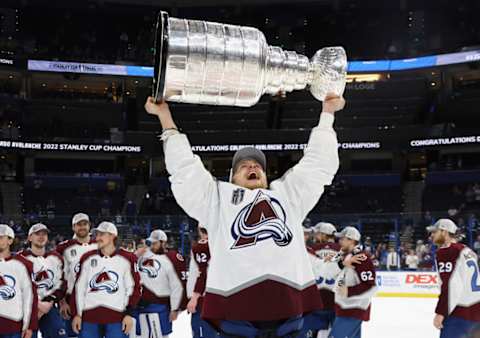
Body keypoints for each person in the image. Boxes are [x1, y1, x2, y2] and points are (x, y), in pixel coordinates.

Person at [145, 93, 344, 337]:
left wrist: (327, 114)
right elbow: (185, 170)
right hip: (236, 316)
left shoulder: (288, 195)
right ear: (232, 179)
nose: (252, 167)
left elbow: (318, 165)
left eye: (258, 166)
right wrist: (165, 118)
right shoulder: (217, 199)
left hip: (289, 314)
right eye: (243, 166)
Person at [70, 222, 141, 338]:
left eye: (101, 234)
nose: (97, 238)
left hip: (117, 317)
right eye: (96, 235)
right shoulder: (87, 257)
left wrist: (129, 314)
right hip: (89, 318)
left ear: (112, 236)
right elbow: (79, 288)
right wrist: (77, 315)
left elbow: (134, 288)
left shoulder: (129, 258)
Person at [427, 219, 480, 338]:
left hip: (459, 314)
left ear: (444, 232)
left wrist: (440, 312)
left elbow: (450, 285)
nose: (432, 235)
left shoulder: (447, 251)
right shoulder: (468, 251)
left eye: (435, 232)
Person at [19, 223, 67, 338]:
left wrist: (48, 303)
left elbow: (61, 284)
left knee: (59, 333)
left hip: (48, 306)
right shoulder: (20, 258)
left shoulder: (56, 258)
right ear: (30, 237)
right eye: (37, 234)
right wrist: (38, 305)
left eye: (44, 234)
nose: (41, 236)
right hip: (26, 309)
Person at [135, 230, 184, 338]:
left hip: (160, 306)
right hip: (141, 306)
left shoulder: (172, 258)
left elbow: (177, 286)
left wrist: (175, 308)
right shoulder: (144, 257)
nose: (152, 246)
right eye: (151, 243)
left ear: (163, 243)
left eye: (155, 243)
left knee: (161, 335)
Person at [56, 212, 97, 337]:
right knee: (72, 334)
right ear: (73, 227)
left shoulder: (100, 245)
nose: (82, 227)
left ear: (89, 225)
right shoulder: (63, 248)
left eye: (84, 224)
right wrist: (62, 302)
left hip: (96, 300)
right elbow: (57, 277)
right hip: (71, 301)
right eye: (78, 225)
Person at [330, 227, 376, 338]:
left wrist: (348, 291)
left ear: (351, 240)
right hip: (346, 307)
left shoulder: (362, 258)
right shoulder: (346, 256)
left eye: (342, 239)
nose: (339, 241)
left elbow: (370, 286)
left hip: (352, 309)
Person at [0, 224, 38, 338]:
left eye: (1, 237)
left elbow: (30, 297)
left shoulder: (23, 264)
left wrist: (30, 325)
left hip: (13, 325)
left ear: (10, 241)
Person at [309, 222, 342, 338]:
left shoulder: (312, 249)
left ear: (324, 235)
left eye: (318, 234)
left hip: (316, 300)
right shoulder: (341, 250)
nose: (316, 236)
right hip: (336, 301)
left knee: (313, 333)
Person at [187, 226, 216, 338]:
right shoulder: (221, 245)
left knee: (203, 332)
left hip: (203, 300)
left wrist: (194, 298)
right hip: (219, 298)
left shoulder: (202, 246)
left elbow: (202, 274)